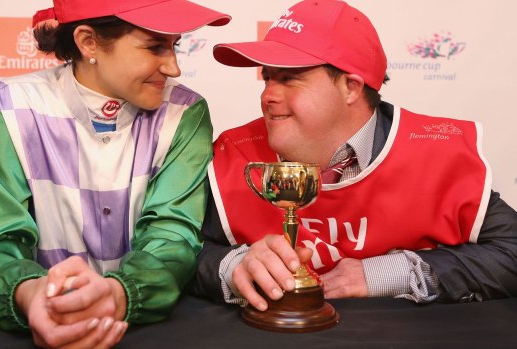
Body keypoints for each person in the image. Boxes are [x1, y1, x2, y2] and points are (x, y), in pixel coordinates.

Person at [191, 0, 517, 314]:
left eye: (290, 78)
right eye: (268, 77)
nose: (268, 95)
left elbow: (511, 250)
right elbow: (178, 251)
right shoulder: (235, 153)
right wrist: (233, 266)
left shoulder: (437, 153)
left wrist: (386, 273)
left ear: (350, 87)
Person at [0, 0, 230, 348]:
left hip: (148, 334)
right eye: (155, 46)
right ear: (88, 42)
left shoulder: (186, 112)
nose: (173, 67)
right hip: (29, 333)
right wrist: (32, 294)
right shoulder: (10, 108)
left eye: (175, 45)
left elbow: (172, 238)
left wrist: (117, 295)